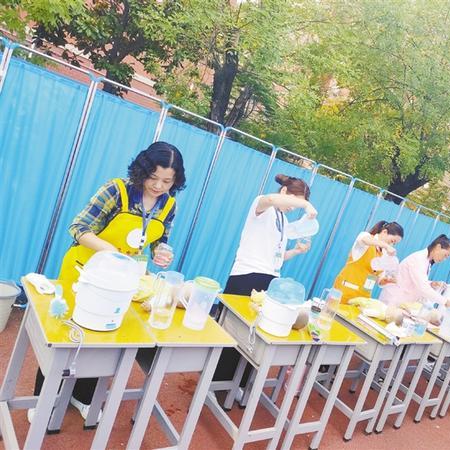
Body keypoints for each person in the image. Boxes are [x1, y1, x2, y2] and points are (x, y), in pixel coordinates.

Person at [30, 142, 186, 423]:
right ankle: (45, 399)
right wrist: (110, 251)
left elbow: (158, 240)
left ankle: (84, 396)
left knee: (104, 338)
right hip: (83, 272)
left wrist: (162, 252)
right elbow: (78, 227)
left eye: (167, 181)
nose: (158, 186)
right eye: (153, 177)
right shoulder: (117, 190)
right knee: (66, 336)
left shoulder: (169, 205)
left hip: (120, 281)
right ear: (142, 170)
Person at [212, 174, 317, 387]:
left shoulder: (283, 220)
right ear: (284, 192)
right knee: (233, 333)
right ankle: (215, 382)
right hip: (246, 277)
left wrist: (296, 251)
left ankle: (238, 385)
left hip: (270, 282)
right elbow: (270, 199)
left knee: (256, 337)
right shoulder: (262, 206)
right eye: (294, 202)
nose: (293, 208)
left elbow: (277, 256)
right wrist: (305, 204)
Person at [333, 221, 404, 304]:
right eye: (392, 241)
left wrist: (387, 280)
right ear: (384, 232)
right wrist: (386, 246)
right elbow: (365, 240)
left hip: (363, 297)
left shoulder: (384, 253)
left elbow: (379, 279)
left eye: (394, 244)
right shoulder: (366, 237)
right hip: (346, 290)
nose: (391, 245)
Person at [379, 234, 450, 308]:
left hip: (401, 301)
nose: (444, 259)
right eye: (445, 255)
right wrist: (445, 302)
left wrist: (431, 284)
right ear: (438, 247)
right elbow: (423, 288)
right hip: (393, 300)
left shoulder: (427, 261)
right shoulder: (419, 259)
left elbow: (416, 281)